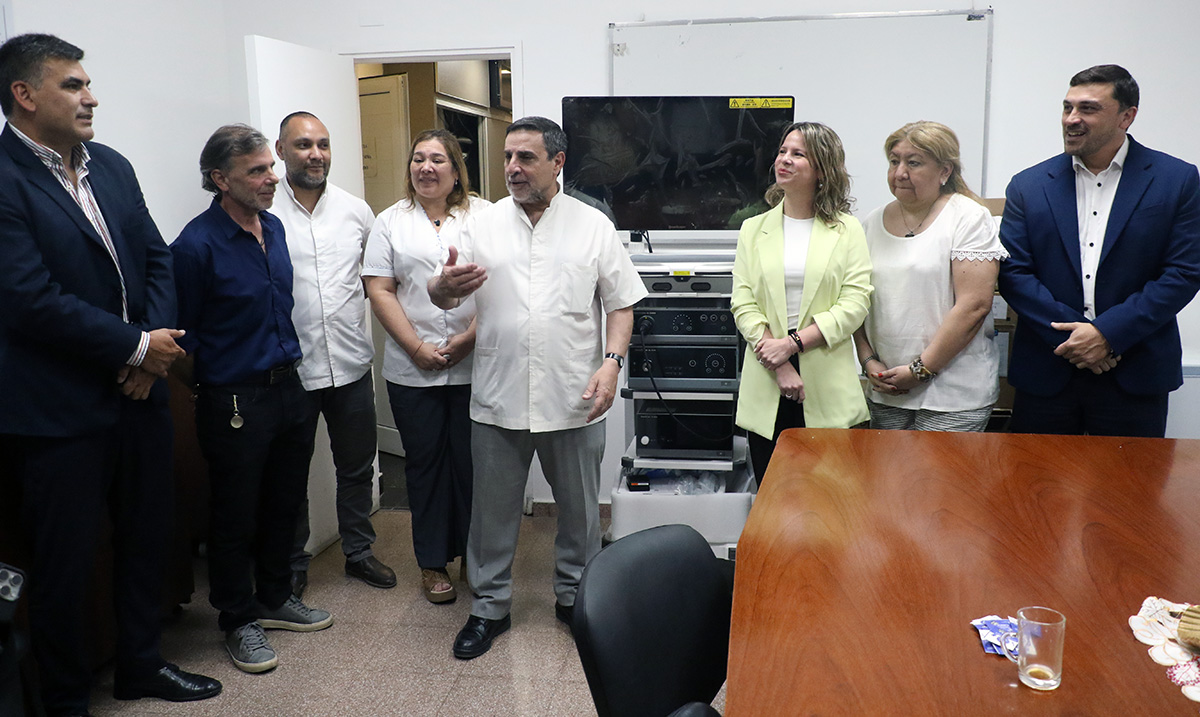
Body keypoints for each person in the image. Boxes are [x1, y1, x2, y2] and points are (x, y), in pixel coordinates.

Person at [0, 33, 220, 713]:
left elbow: (157, 259)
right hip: (57, 409)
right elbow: (27, 297)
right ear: (24, 94)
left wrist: (152, 354)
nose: (90, 97)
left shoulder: (112, 167)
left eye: (87, 83)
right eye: (72, 84)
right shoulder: (5, 178)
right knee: (66, 562)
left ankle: (141, 665)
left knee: (147, 538)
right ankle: (67, 698)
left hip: (140, 395)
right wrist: (135, 347)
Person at [430, 116, 647, 659]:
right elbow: (446, 294)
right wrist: (441, 288)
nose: (512, 168)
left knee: (580, 511)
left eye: (526, 157)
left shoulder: (592, 225)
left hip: (574, 392)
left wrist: (612, 364)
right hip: (499, 391)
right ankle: (489, 607)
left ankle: (575, 599)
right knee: (492, 513)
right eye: (508, 157)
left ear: (558, 162)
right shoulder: (481, 224)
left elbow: (621, 303)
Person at [172, 124, 333, 675]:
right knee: (235, 514)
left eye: (270, 167)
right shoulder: (195, 246)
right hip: (234, 399)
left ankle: (275, 597)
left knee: (283, 502)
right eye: (257, 171)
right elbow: (181, 336)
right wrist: (214, 387)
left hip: (288, 387)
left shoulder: (274, 228)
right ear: (221, 178)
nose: (271, 179)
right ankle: (237, 618)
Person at [998, 64, 1200, 437]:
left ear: (1127, 116)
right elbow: (1013, 273)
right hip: (1047, 370)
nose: (1071, 119)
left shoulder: (1176, 180)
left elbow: (1184, 272)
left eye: (1088, 109)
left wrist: (1107, 334)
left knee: (1132, 477)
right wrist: (1075, 340)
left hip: (1134, 368)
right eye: (1067, 107)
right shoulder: (1028, 185)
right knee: (1035, 476)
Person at [272, 111, 396, 597]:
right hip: (290, 369)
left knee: (357, 467)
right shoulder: (265, 209)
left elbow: (378, 280)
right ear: (280, 151)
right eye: (303, 145)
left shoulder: (356, 211)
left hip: (350, 363)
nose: (316, 155)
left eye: (323, 144)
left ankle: (359, 552)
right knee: (290, 472)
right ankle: (293, 561)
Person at [363, 129, 489, 604]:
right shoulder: (390, 222)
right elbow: (380, 288)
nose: (426, 168)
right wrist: (416, 347)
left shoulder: (485, 216)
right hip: (411, 369)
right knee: (425, 466)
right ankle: (432, 562)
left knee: (475, 465)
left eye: (438, 159)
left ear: (456, 170)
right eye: (418, 159)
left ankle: (476, 557)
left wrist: (469, 338)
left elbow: (504, 283)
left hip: (476, 364)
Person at [731, 121, 873, 483]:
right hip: (768, 371)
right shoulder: (753, 229)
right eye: (782, 151)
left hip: (824, 375)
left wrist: (793, 344)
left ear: (822, 169)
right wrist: (779, 360)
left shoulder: (847, 230)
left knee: (831, 497)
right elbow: (743, 302)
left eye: (798, 154)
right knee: (774, 495)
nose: (784, 160)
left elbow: (855, 302)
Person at [852, 121, 1007, 431]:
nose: (900, 173)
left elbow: (974, 306)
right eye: (894, 161)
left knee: (943, 468)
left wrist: (920, 371)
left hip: (954, 396)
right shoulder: (871, 222)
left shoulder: (968, 217)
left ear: (944, 171)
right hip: (886, 390)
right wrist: (868, 362)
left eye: (913, 163)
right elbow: (855, 300)